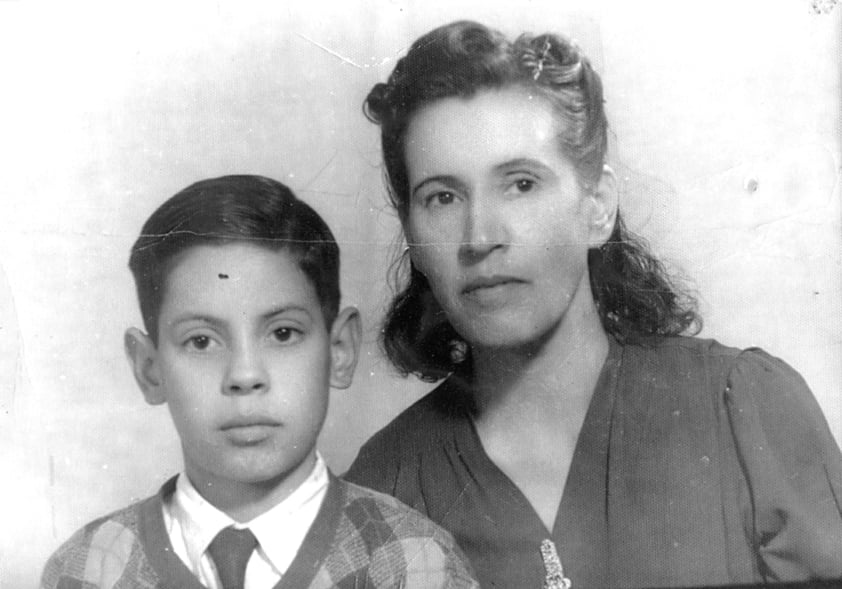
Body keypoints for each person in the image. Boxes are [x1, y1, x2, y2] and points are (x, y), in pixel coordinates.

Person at [343, 20, 842, 589]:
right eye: (443, 196)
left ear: (597, 206)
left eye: (521, 183)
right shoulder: (384, 487)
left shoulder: (744, 411)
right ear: (412, 234)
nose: (479, 235)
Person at [41, 175, 479, 589]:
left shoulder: (412, 562)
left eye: (283, 333)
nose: (245, 376)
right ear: (149, 368)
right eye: (201, 341)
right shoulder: (89, 569)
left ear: (339, 351)